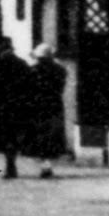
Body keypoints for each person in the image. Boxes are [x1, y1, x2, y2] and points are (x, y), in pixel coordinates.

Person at [0, 36, 30, 179]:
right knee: (14, 135)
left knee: (4, 135)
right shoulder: (22, 64)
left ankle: (10, 164)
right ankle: (11, 162)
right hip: (18, 105)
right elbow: (29, 86)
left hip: (0, 107)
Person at [25, 43, 70, 178]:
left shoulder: (33, 70)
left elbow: (29, 88)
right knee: (52, 135)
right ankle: (47, 164)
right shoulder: (60, 70)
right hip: (54, 104)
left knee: (39, 134)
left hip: (37, 105)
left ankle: (44, 164)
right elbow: (61, 86)